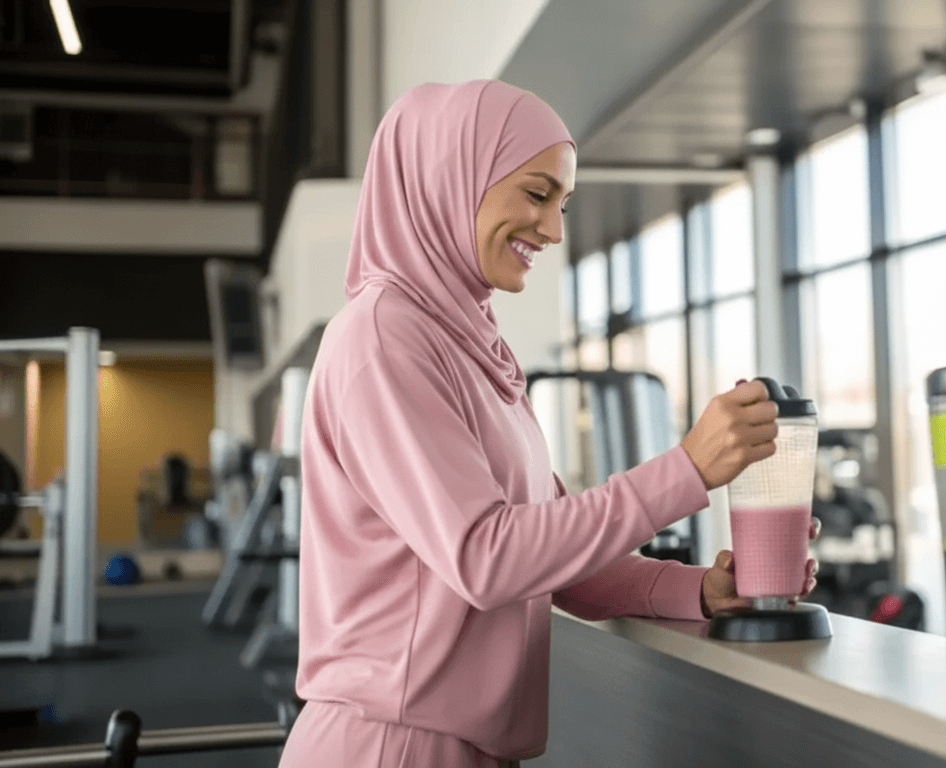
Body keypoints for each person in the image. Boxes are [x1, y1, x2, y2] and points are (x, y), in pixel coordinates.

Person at [277, 80, 818, 768]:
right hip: (391, 748)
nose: (554, 231)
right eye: (536, 195)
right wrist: (687, 470)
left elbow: (554, 559)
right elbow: (488, 557)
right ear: (453, 178)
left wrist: (701, 590)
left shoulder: (469, 341)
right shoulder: (384, 338)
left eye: (563, 205)